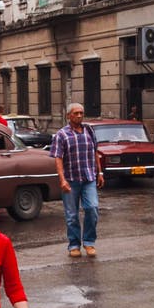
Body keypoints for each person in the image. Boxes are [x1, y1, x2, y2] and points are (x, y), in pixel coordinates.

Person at [49, 102, 103, 258]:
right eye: (76, 113)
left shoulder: (89, 131)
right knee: (72, 215)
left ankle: (89, 242)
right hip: (71, 180)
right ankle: (74, 245)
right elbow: (58, 158)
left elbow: (95, 152)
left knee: (92, 208)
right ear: (68, 116)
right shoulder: (62, 134)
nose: (79, 116)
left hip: (88, 178)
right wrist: (62, 180)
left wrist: (100, 173)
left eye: (81, 113)